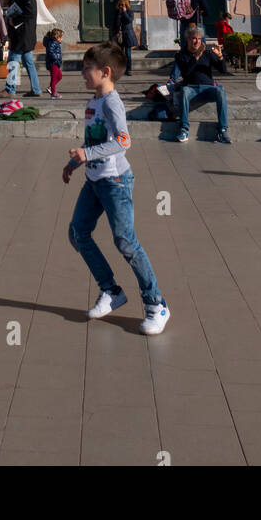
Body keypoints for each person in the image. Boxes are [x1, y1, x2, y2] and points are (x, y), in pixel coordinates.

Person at [64, 42, 170, 336]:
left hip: (115, 182)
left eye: (88, 68)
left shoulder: (111, 102)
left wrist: (87, 156)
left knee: (125, 242)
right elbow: (93, 142)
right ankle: (111, 291)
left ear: (105, 72)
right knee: (77, 233)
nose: (83, 74)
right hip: (94, 181)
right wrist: (74, 164)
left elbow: (124, 141)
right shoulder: (92, 102)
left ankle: (156, 304)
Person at [168, 24, 232, 144]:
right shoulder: (181, 55)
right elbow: (186, 72)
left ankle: (223, 130)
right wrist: (197, 56)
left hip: (207, 89)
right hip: (191, 89)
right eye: (193, 38)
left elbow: (224, 71)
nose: (196, 41)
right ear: (187, 40)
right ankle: (184, 129)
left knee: (220, 91)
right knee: (184, 91)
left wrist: (220, 57)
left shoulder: (207, 53)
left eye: (199, 38)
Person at [4, 0, 42, 99]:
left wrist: (14, 21)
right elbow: (13, 6)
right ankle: (36, 89)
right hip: (25, 35)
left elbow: (29, 12)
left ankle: (10, 89)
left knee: (13, 60)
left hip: (22, 35)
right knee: (28, 62)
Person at [110, 0, 138, 75]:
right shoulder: (117, 12)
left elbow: (129, 20)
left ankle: (129, 69)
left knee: (128, 53)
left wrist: (124, 12)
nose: (122, 6)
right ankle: (120, 69)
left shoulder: (130, 12)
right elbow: (116, 23)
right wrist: (119, 14)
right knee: (119, 54)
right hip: (119, 35)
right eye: (120, 5)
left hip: (127, 34)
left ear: (127, 5)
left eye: (123, 5)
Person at [43, 26, 64, 98]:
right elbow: (50, 52)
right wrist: (56, 57)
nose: (62, 39)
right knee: (54, 78)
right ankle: (53, 94)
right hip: (53, 63)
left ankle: (50, 88)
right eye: (61, 37)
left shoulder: (55, 43)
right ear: (57, 37)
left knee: (59, 76)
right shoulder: (53, 43)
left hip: (56, 63)